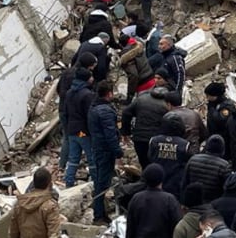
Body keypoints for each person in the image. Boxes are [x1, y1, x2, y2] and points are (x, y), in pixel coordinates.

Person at [88, 81, 124, 225]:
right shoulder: (105, 111)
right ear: (109, 93)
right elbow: (110, 135)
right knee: (102, 183)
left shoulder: (93, 107)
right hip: (105, 151)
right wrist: (118, 152)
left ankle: (100, 212)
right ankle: (99, 215)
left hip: (97, 148)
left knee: (100, 180)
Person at [126, 164, 182, 238]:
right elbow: (177, 225)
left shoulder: (136, 198)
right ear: (162, 179)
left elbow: (130, 227)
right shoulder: (169, 200)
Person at [64, 67, 96, 188]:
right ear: (86, 79)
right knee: (91, 157)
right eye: (91, 76)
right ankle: (95, 180)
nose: (93, 78)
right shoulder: (87, 95)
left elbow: (66, 112)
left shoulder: (69, 93)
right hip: (83, 132)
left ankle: (69, 182)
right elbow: (90, 115)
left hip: (72, 131)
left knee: (73, 159)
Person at [121, 86, 168, 168]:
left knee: (144, 164)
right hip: (157, 140)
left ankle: (146, 178)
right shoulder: (167, 105)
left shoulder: (141, 99)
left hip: (139, 138)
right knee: (158, 165)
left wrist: (126, 132)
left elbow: (126, 113)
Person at [8, 168, 60, 238]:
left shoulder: (19, 204)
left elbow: (13, 232)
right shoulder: (50, 206)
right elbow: (54, 233)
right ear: (49, 184)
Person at [148, 114, 190, 197]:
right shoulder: (185, 144)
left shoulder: (154, 140)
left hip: (156, 182)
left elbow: (150, 157)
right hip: (175, 184)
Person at [182, 134, 231, 203]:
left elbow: (185, 183)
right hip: (213, 203)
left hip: (194, 201)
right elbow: (226, 188)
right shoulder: (224, 165)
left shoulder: (193, 160)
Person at [119, 33, 155, 102]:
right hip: (151, 78)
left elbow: (133, 75)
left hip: (143, 85)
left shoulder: (127, 56)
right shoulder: (137, 46)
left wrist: (130, 95)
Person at [204, 83, 235, 159]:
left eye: (208, 96)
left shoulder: (227, 105)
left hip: (224, 140)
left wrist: (211, 109)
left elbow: (220, 120)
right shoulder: (214, 104)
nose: (207, 98)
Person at [57, 68, 78, 170]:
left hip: (62, 111)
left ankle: (63, 164)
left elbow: (58, 88)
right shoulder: (76, 78)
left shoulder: (66, 73)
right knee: (74, 137)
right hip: (71, 114)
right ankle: (69, 163)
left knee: (67, 137)